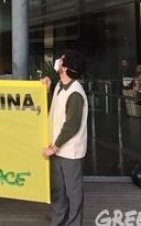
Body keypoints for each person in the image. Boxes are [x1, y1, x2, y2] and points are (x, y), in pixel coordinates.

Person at [41, 50, 88, 226]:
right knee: (58, 192)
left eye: (62, 60)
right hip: (57, 150)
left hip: (70, 153)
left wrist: (54, 147)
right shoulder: (61, 85)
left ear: (66, 67)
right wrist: (47, 83)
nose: (59, 61)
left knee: (73, 194)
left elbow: (71, 126)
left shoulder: (75, 93)